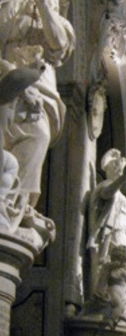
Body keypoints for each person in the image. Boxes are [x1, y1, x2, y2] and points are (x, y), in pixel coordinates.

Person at [0, 0, 76, 210]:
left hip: (38, 90)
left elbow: (58, 44)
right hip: (6, 79)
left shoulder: (59, 22)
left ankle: (16, 206)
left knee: (38, 134)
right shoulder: (8, 9)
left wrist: (43, 5)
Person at [88, 149, 126, 293]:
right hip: (111, 237)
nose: (119, 169)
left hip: (124, 238)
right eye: (116, 166)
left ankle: (123, 308)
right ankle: (108, 305)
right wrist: (124, 178)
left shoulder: (122, 197)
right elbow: (107, 193)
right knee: (112, 272)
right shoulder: (105, 185)